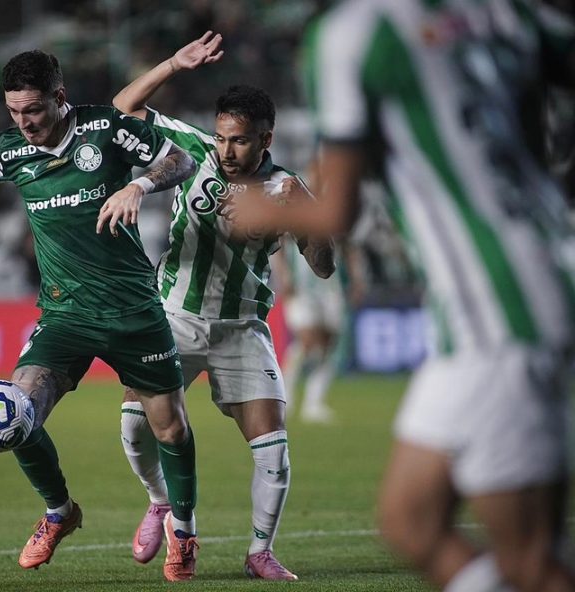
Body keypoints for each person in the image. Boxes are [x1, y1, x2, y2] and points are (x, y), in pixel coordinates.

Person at [231, 2, 575, 590]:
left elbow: (337, 211)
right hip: (500, 296)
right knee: (410, 522)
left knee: (531, 561)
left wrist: (257, 209)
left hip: (501, 308)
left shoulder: (353, 35)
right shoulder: (507, 12)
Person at [0, 49, 201, 582]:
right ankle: (60, 512)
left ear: (59, 98)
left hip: (133, 310)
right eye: (14, 111)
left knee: (171, 429)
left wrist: (137, 185)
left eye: (33, 110)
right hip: (65, 314)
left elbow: (181, 160)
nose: (24, 122)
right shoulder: (11, 148)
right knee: (16, 413)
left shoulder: (105, 129)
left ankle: (183, 531)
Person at [112, 32, 335, 581]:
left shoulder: (287, 189)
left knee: (273, 451)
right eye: (221, 138)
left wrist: (299, 223)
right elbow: (124, 107)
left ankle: (259, 552)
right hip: (175, 319)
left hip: (242, 327)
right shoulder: (192, 151)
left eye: (239, 141)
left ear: (266, 139)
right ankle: (161, 503)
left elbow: (324, 265)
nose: (227, 151)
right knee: (135, 426)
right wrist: (172, 63)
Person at [276, 234, 345, 424]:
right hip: (300, 287)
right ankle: (285, 397)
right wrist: (283, 276)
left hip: (330, 286)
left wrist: (356, 276)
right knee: (306, 342)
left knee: (328, 344)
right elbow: (279, 244)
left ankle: (314, 402)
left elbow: (347, 242)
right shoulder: (293, 215)